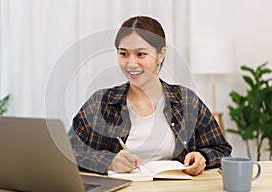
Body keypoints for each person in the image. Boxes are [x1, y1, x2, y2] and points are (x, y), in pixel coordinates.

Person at [68, 16, 232, 176]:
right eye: (123, 54)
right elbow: (67, 150)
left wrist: (203, 157)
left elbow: (222, 150)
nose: (131, 64)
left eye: (141, 54)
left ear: (160, 55)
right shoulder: (101, 102)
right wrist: (108, 161)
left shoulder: (186, 101)